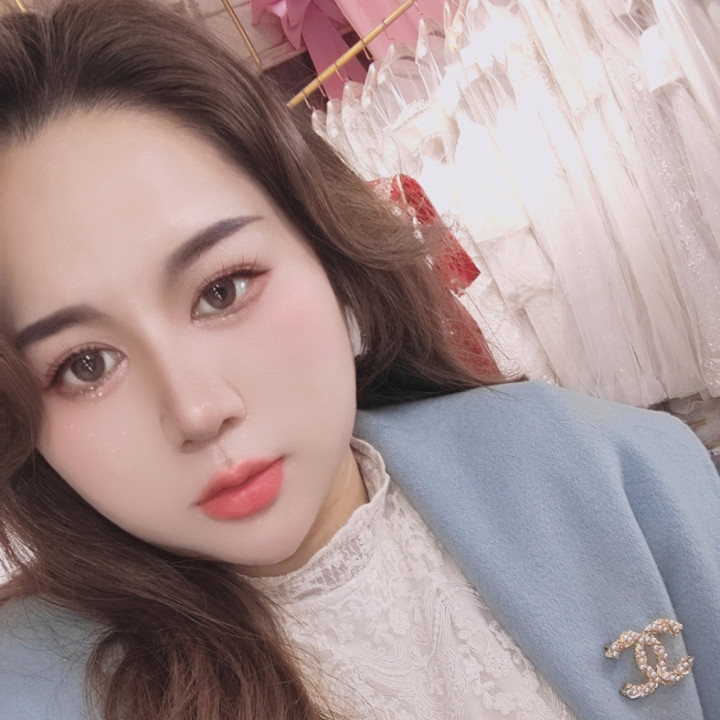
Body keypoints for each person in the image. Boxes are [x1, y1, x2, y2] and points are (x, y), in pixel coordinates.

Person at [0, 1, 718, 719]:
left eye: (223, 290)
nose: (197, 411)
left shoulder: (615, 467)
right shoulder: (29, 685)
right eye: (85, 365)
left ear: (325, 248)